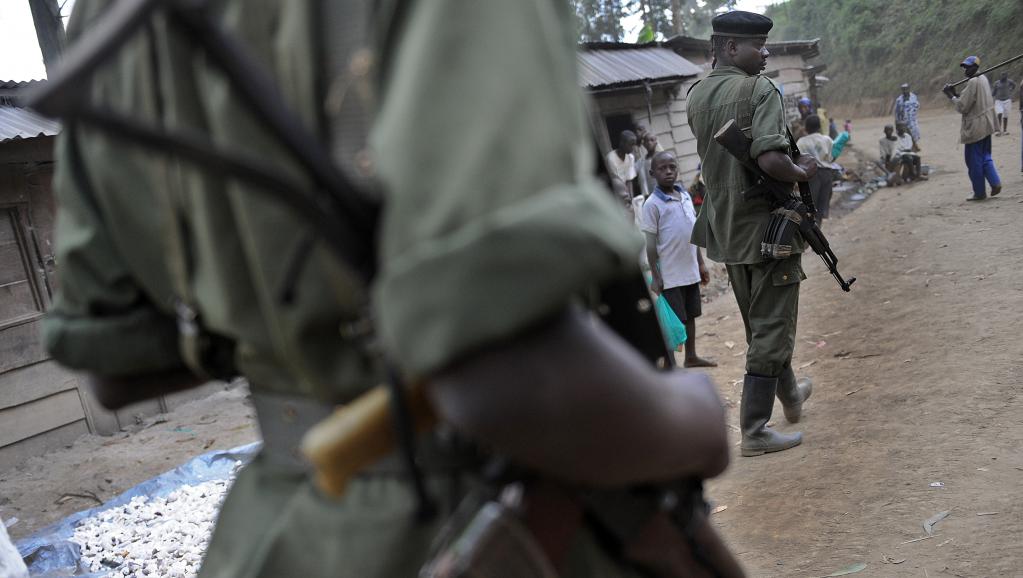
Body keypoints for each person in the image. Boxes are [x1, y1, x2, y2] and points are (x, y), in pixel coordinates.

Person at [43, 2, 733, 577]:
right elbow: (502, 374)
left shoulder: (105, 17)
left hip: (280, 534)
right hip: (492, 527)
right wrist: (689, 423)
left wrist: (285, 313)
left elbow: (115, 367)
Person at [687, 11, 815, 458]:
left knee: (761, 323)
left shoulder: (696, 95)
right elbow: (771, 161)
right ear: (729, 48)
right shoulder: (760, 89)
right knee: (772, 327)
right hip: (767, 229)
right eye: (758, 46)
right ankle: (756, 430)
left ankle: (792, 397)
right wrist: (805, 171)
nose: (765, 54)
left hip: (727, 230)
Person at [642, 151, 717, 369]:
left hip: (690, 269)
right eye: (662, 168)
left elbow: (691, 233)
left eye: (672, 167)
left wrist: (701, 263)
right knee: (673, 322)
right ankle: (670, 364)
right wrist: (656, 277)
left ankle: (691, 356)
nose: (668, 172)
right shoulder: (652, 204)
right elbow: (650, 244)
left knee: (691, 315)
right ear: (652, 173)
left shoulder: (684, 196)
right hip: (670, 274)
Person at [944, 56, 1002, 201]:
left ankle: (979, 192)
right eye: (964, 66)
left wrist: (950, 96)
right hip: (987, 124)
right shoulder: (982, 79)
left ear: (976, 67)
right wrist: (956, 93)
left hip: (976, 127)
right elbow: (969, 99)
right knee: (985, 156)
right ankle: (995, 182)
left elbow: (963, 107)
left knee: (973, 161)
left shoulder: (973, 82)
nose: (965, 69)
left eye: (968, 66)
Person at [796, 115, 838, 223]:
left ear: (806, 128)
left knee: (810, 208)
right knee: (821, 207)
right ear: (819, 127)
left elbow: (797, 160)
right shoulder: (827, 140)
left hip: (810, 176)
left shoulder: (801, 142)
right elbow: (831, 158)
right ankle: (818, 230)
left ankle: (810, 234)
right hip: (826, 175)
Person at [606, 130, 639, 196]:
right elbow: (615, 182)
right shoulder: (611, 158)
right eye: (630, 145)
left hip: (625, 192)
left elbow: (629, 180)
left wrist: (631, 197)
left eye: (634, 145)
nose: (633, 148)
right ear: (622, 143)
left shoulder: (630, 157)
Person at [639, 131, 660, 198]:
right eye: (647, 141)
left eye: (652, 140)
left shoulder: (661, 157)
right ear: (644, 144)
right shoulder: (642, 161)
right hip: (650, 194)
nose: (649, 143)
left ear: (656, 142)